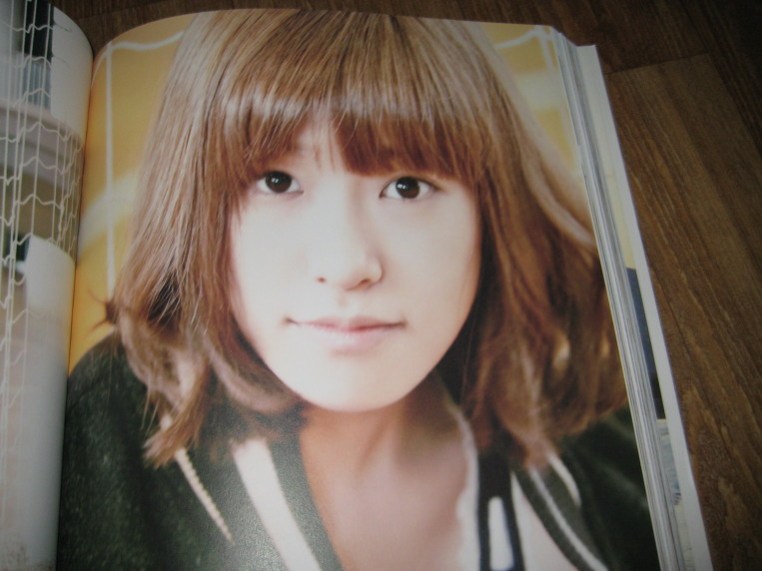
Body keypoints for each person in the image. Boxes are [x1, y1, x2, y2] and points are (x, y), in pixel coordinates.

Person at [57, 9, 658, 571]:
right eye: (277, 181)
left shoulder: (603, 444)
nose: (346, 265)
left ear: (491, 217)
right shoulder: (108, 424)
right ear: (194, 211)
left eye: (407, 187)